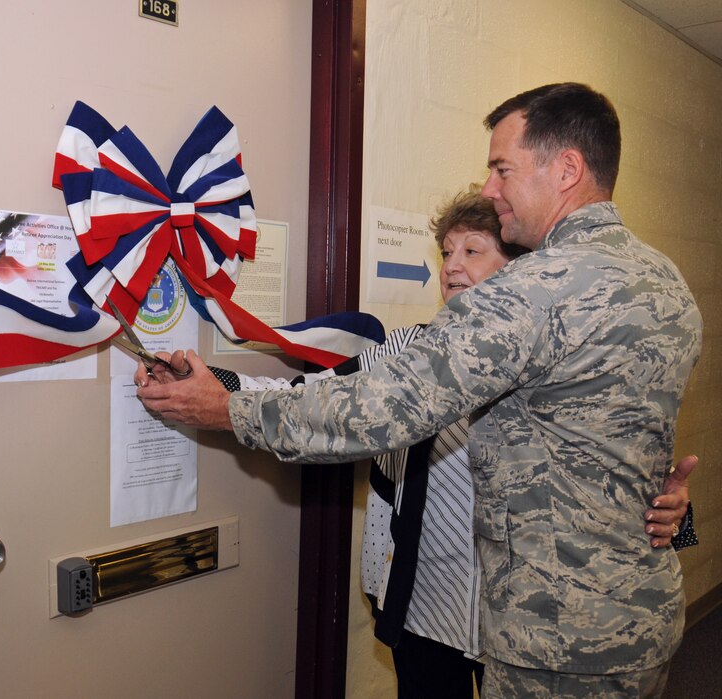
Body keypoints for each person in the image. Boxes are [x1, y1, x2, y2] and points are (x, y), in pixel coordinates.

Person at [138, 83, 702, 697]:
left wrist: (228, 410)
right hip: (642, 624)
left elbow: (375, 412)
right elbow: (625, 443)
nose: (491, 186)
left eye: (502, 167)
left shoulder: (534, 290)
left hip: (559, 641)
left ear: (567, 168)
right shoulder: (665, 283)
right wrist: (673, 506)